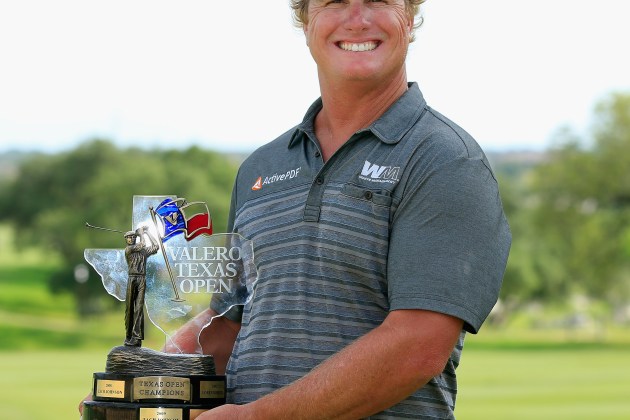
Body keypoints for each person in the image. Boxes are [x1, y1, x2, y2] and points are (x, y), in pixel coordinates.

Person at [80, 0, 511, 417]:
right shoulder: (262, 166)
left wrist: (256, 419)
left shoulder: (446, 161)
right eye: (335, 1)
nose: (357, 19)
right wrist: (141, 386)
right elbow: (231, 324)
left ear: (410, 15)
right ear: (305, 19)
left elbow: (418, 346)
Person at [123, 226, 159, 346]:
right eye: (129, 237)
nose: (131, 239)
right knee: (129, 308)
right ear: (126, 240)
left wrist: (148, 232)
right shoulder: (129, 249)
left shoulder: (143, 252)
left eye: (133, 237)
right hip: (132, 278)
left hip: (141, 279)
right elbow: (141, 245)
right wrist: (141, 234)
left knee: (139, 308)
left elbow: (155, 246)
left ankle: (136, 337)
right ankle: (128, 335)